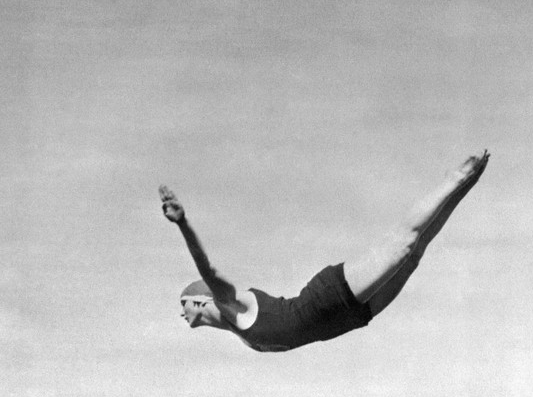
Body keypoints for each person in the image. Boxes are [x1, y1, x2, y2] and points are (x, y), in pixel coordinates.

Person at [159, 150, 490, 352]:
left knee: (402, 247)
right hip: (343, 321)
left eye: (182, 305)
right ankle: (467, 186)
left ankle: (457, 176)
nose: (181, 313)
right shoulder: (233, 328)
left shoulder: (229, 303)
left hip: (324, 300)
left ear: (197, 299)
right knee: (415, 255)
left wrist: (183, 223)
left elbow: (209, 271)